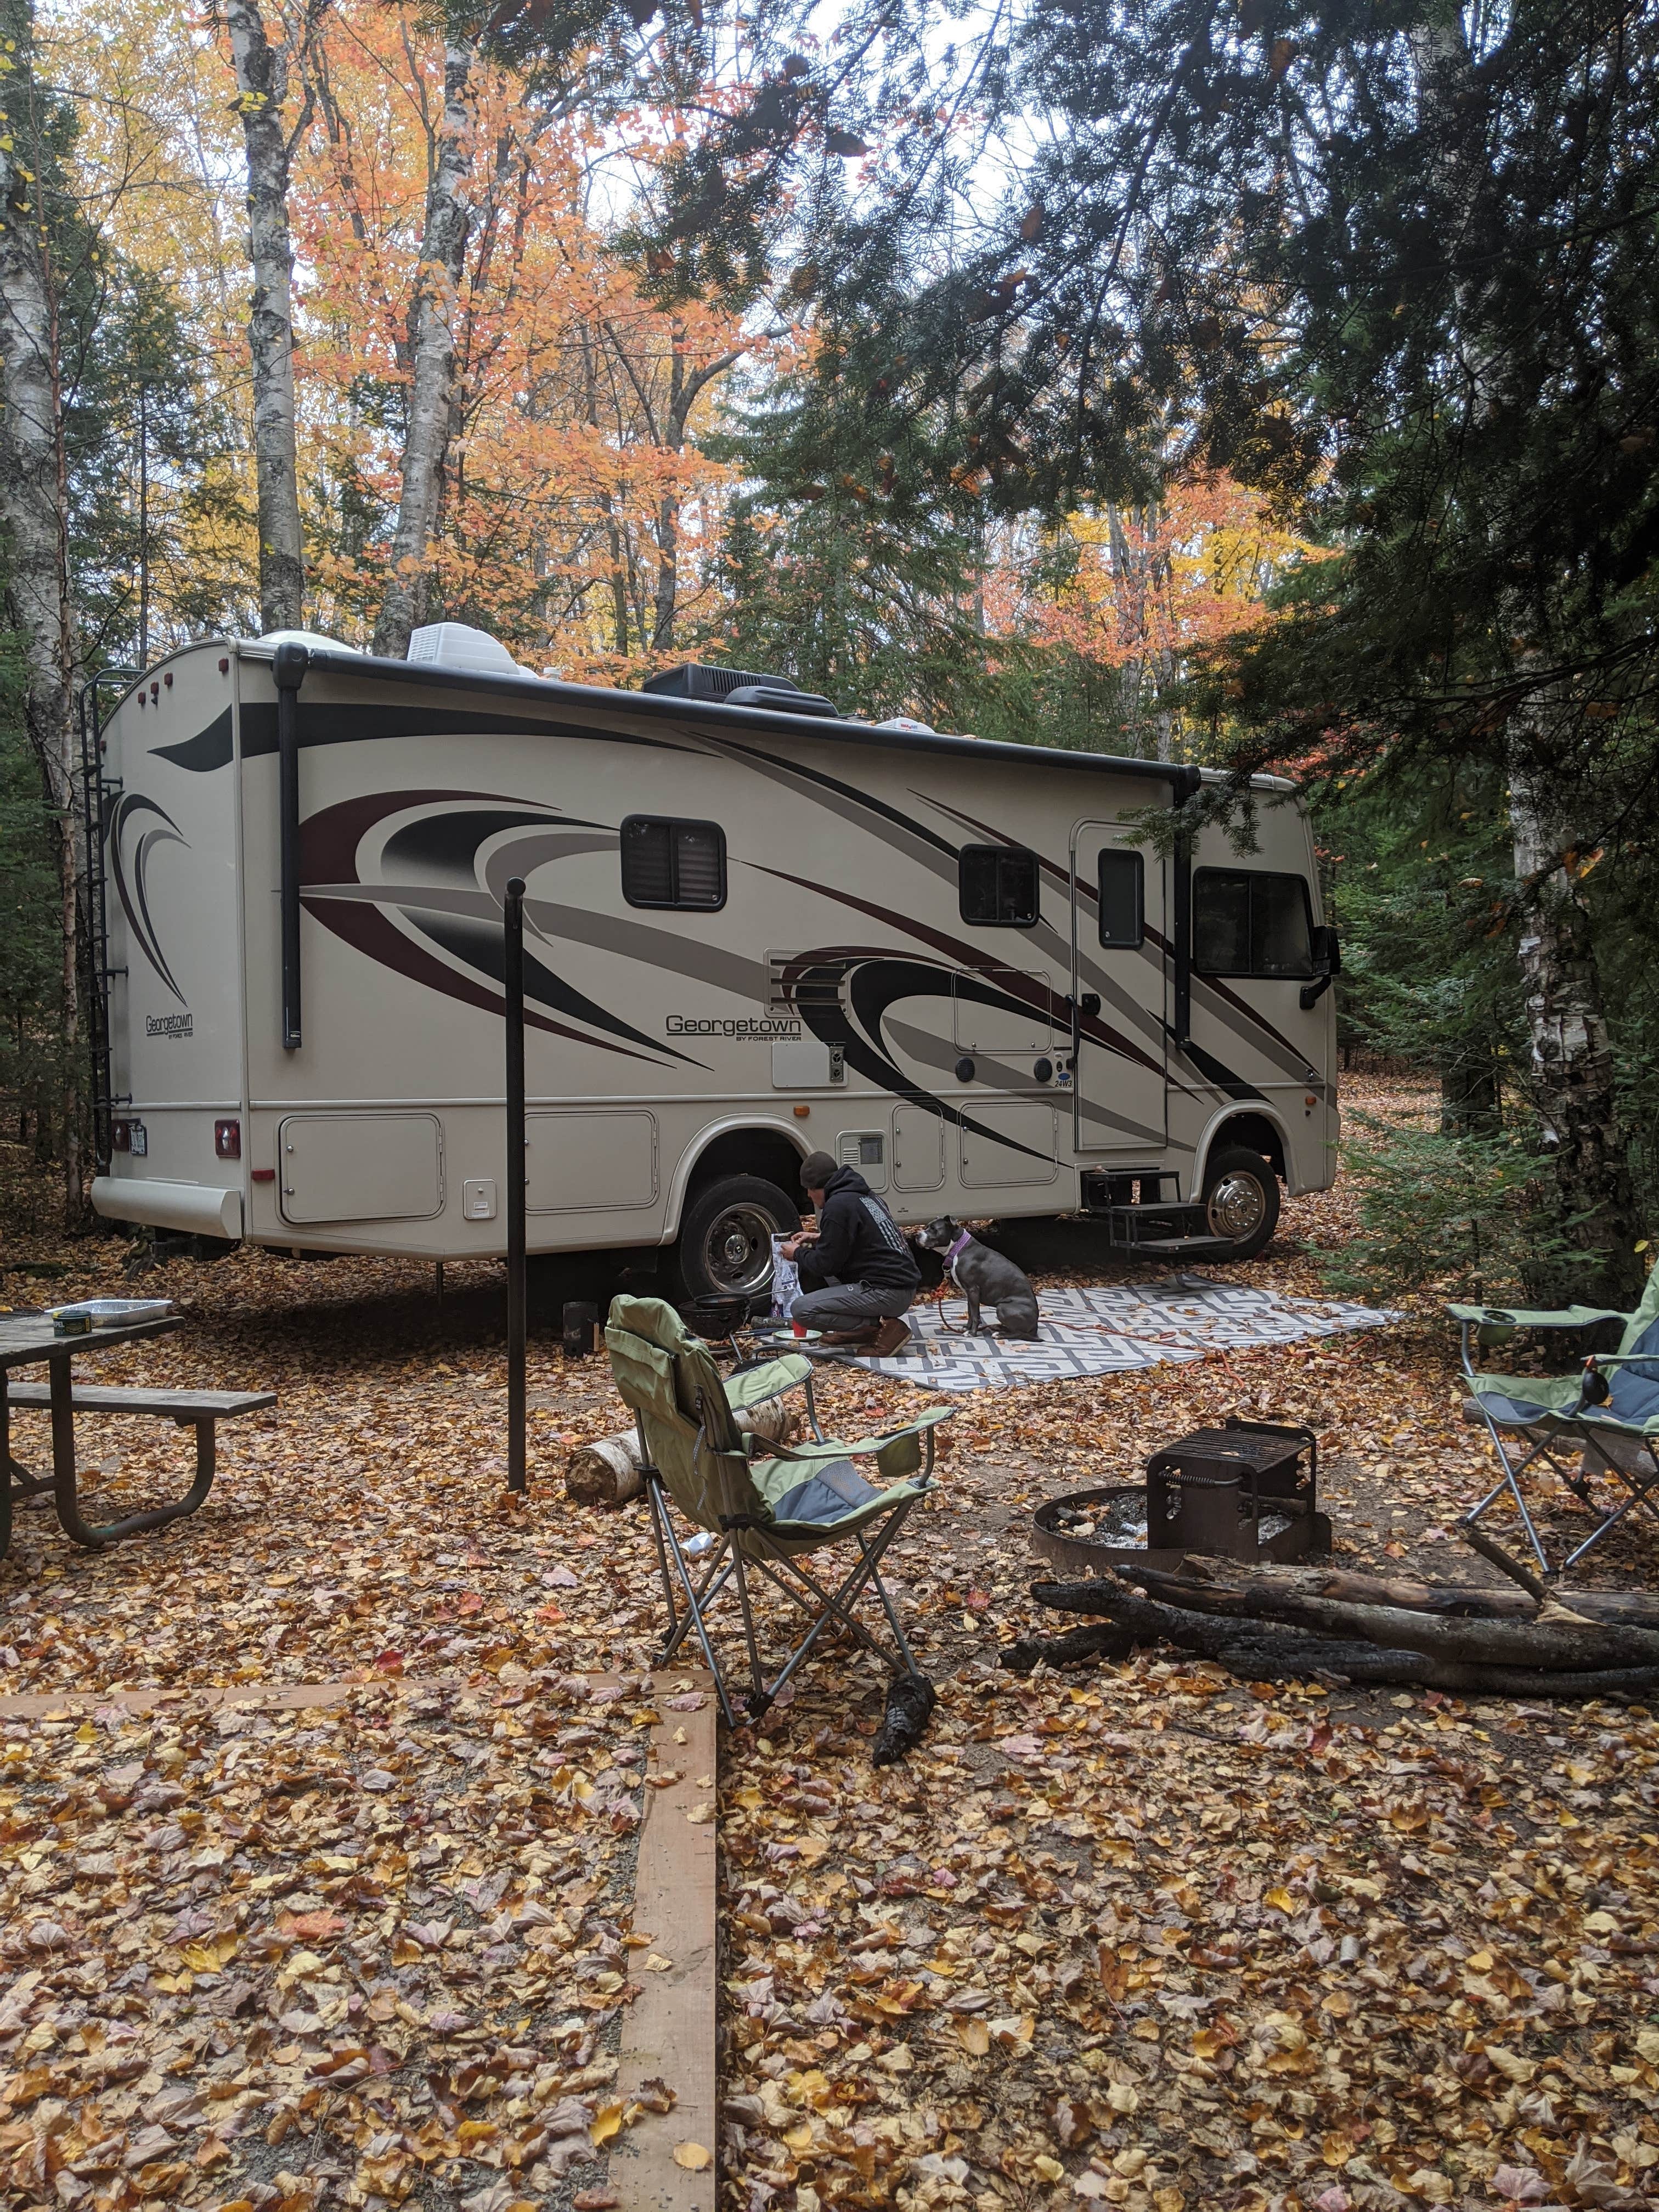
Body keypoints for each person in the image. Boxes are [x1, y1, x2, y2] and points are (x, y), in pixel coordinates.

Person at [778, 1150, 921, 1356]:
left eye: (810, 1189)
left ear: (822, 1186)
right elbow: (867, 1237)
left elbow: (826, 1265)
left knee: (802, 1310)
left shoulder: (837, 1206)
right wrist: (819, 1237)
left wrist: (797, 1253)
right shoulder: (865, 1195)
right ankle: (864, 1329)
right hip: (903, 1286)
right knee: (821, 1251)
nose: (809, 1195)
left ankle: (878, 1329)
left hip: (889, 1292)